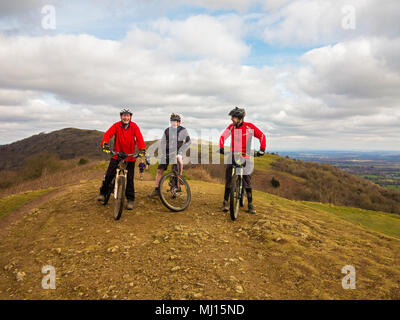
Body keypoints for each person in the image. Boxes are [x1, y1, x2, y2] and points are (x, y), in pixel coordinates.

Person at [218, 107, 266, 214]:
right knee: (229, 177)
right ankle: (225, 201)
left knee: (247, 179)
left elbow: (262, 136)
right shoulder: (231, 127)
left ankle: (250, 203)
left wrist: (262, 149)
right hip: (233, 155)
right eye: (231, 117)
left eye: (233, 117)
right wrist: (221, 147)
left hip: (246, 155)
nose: (231, 119)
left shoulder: (249, 127)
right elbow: (223, 136)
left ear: (240, 118)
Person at [97, 108, 146, 210]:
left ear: (130, 117)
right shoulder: (116, 125)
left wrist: (142, 149)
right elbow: (108, 134)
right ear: (121, 117)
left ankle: (130, 200)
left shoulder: (134, 127)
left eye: (128, 116)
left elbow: (139, 138)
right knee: (109, 174)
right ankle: (103, 192)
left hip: (130, 157)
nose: (126, 117)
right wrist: (105, 143)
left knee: (130, 179)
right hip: (117, 155)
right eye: (124, 115)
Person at [148, 113, 191, 198]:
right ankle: (157, 189)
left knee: (176, 171)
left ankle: (175, 188)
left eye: (176, 121)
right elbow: (163, 142)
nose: (174, 123)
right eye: (172, 121)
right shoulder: (167, 130)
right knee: (160, 170)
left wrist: (181, 151)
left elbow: (188, 142)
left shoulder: (183, 130)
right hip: (167, 153)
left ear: (179, 122)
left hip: (177, 153)